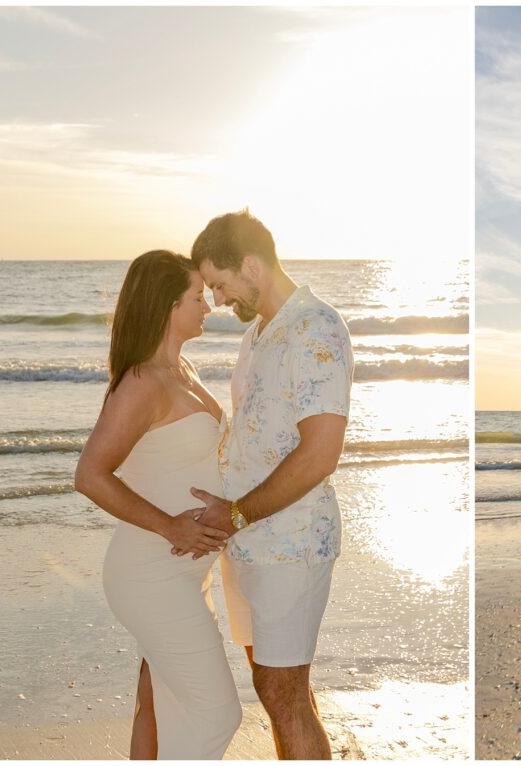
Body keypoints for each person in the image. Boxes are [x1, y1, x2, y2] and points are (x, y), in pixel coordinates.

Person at [184, 210, 354, 760]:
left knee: (283, 693)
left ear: (251, 266)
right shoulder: (258, 334)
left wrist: (236, 513)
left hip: (292, 543)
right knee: (275, 687)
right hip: (251, 541)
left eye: (220, 283)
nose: (217, 298)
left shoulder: (316, 328)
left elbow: (319, 454)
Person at [74, 250, 242, 759]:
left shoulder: (182, 369)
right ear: (168, 306)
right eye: (196, 297)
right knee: (218, 714)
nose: (207, 305)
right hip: (150, 574)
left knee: (164, 706)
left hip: (186, 576)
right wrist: (171, 526)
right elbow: (90, 475)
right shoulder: (144, 381)